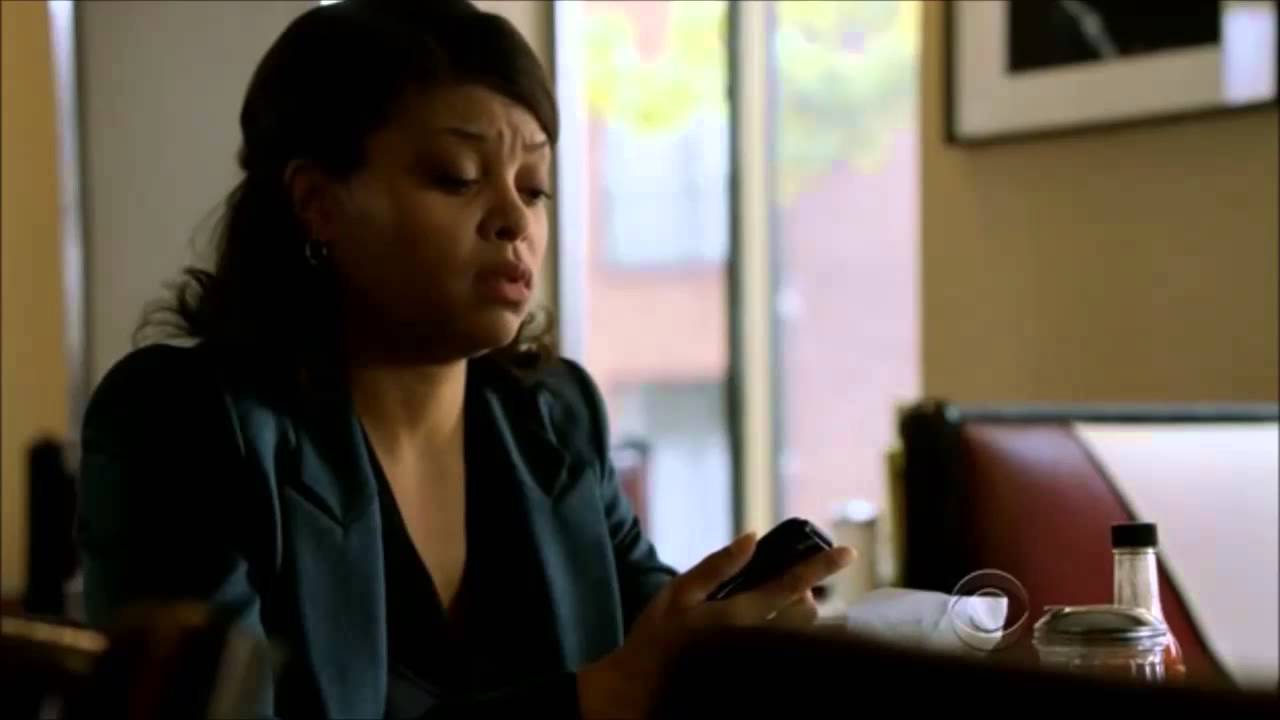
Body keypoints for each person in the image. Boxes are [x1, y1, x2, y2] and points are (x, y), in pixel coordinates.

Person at [75, 1, 854, 718]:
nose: (515, 219)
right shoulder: (182, 420)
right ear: (318, 203)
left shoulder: (552, 419)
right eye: (458, 178)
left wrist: (736, 644)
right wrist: (598, 697)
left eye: (535, 187)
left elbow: (655, 639)